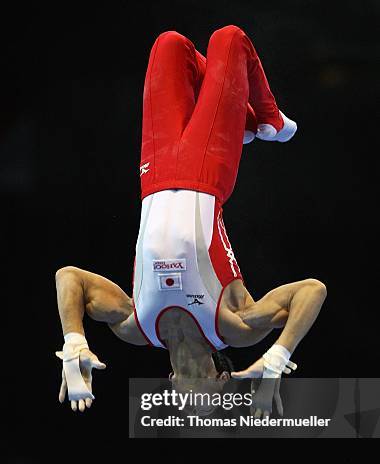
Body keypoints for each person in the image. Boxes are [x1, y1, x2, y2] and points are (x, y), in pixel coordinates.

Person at [55, 25, 326, 414]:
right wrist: (278, 355)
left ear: (170, 384)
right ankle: (270, 120)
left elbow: (70, 277)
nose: (188, 404)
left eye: (181, 405)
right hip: (206, 172)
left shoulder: (136, 327)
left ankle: (244, 121)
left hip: (155, 174)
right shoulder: (235, 327)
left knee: (170, 44)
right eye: (205, 406)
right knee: (229, 40)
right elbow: (312, 289)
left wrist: (74, 340)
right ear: (221, 380)